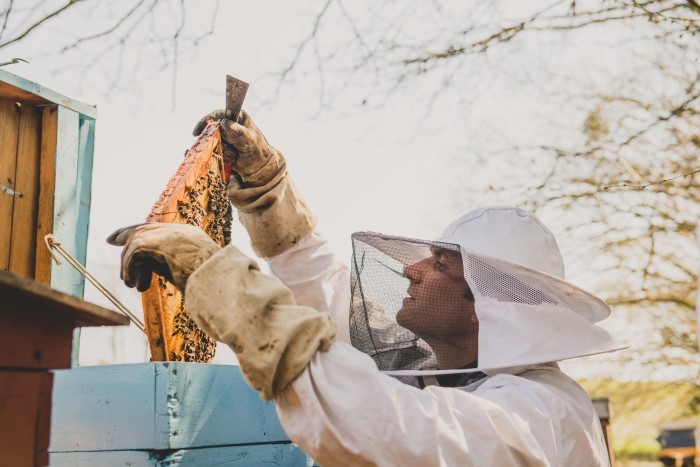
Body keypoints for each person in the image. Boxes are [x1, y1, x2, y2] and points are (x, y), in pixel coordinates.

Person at [108, 111, 626, 466]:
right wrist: (271, 199)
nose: (411, 270)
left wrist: (218, 279)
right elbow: (332, 310)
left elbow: (386, 428)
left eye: (440, 265)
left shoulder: (539, 412)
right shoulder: (448, 378)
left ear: (487, 304)